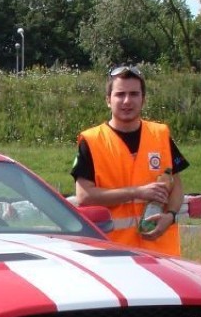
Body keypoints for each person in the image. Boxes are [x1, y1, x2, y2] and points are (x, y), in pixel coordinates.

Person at [70, 65, 189, 256]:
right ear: (108, 100)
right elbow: (84, 196)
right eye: (120, 94)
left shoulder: (160, 135)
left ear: (143, 99)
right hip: (113, 251)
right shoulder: (92, 141)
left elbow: (176, 185)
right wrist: (137, 192)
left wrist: (170, 216)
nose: (127, 101)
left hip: (161, 250)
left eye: (134, 94)